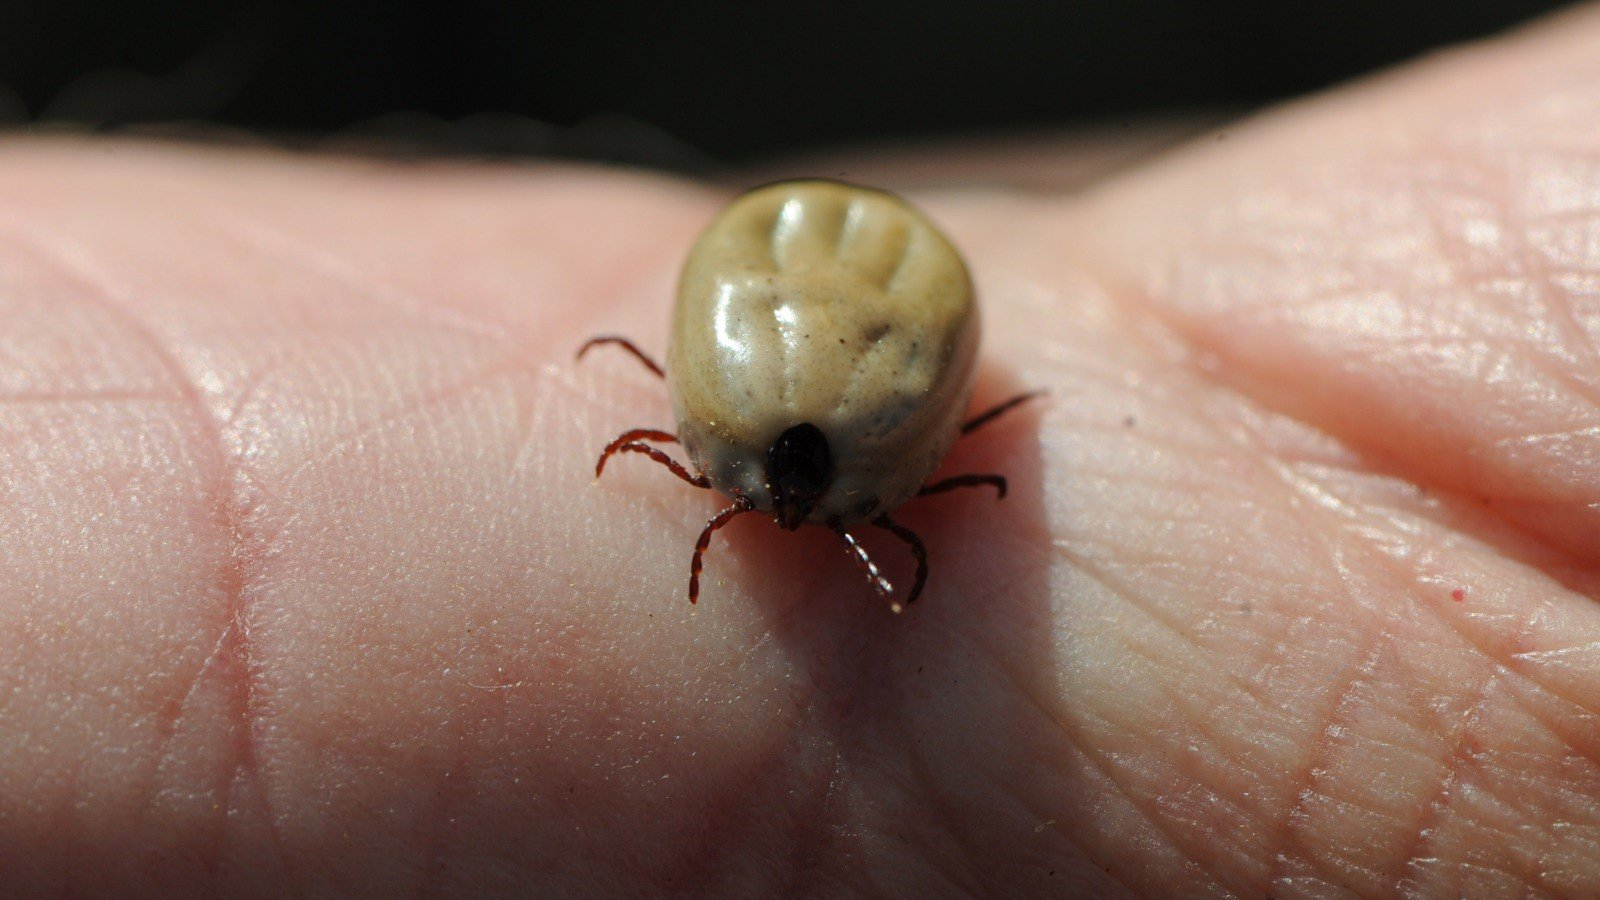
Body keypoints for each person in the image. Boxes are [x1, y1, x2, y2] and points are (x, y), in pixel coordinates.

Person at [2, 6, 1598, 897]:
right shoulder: (842, 465)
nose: (767, 514)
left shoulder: (786, 448)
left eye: (778, 501)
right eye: (764, 497)